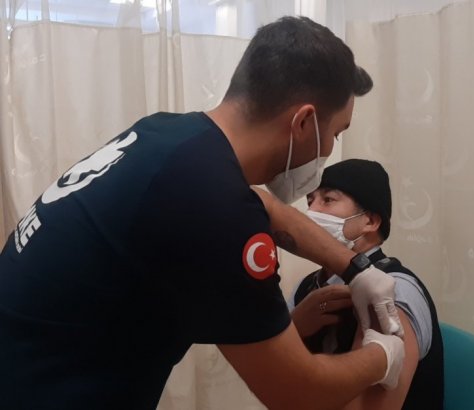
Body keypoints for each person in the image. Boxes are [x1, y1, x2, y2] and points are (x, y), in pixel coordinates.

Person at [0, 16, 405, 410]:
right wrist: (383, 355)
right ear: (303, 122)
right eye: (335, 133)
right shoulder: (215, 209)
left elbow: (264, 205)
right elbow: (298, 393)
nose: (330, 147)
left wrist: (355, 269)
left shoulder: (169, 134)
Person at [288, 159, 444, 409]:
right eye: (310, 201)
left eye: (328, 200)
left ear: (370, 221)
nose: (312, 212)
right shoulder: (307, 287)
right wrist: (294, 327)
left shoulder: (391, 291)